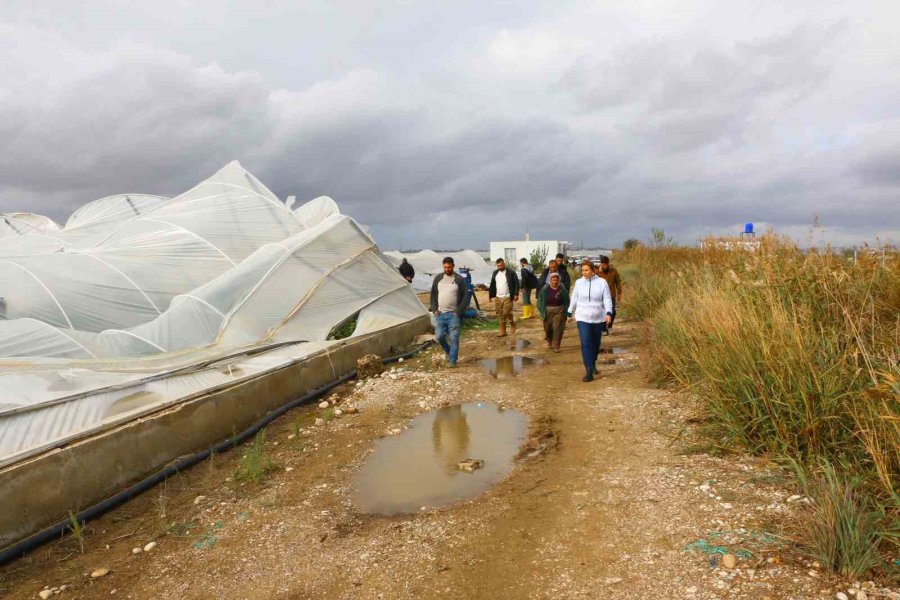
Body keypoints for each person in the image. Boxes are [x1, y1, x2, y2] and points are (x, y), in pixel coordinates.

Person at [568, 260, 613, 382]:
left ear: (593, 270)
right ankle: (588, 370)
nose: (584, 272)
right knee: (586, 342)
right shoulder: (578, 283)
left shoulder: (602, 282)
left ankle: (592, 364)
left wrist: (608, 313)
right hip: (582, 317)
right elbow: (574, 298)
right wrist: (569, 311)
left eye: (586, 270)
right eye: (582, 270)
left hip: (598, 317)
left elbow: (607, 299)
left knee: (595, 343)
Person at [428, 257, 470, 367]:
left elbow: (466, 297)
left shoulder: (459, 279)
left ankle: (452, 361)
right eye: (445, 267)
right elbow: (433, 295)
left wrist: (458, 311)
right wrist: (434, 309)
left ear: (453, 266)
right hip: (440, 314)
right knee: (439, 336)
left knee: (454, 338)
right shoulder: (438, 278)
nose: (447, 269)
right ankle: (448, 351)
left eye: (449, 267)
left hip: (453, 315)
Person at [537, 271, 570, 352]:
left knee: (557, 328)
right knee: (547, 329)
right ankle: (550, 341)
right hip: (547, 310)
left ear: (559, 280)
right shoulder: (545, 288)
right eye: (553, 280)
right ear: (550, 280)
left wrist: (568, 312)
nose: (555, 282)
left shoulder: (562, 288)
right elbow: (540, 301)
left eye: (556, 280)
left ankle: (556, 346)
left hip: (559, 310)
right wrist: (541, 310)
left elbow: (567, 300)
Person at [488, 257, 519, 337]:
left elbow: (516, 283)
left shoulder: (511, 272)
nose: (500, 267)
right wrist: (491, 295)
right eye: (498, 266)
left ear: (504, 264)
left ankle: (512, 323)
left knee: (506, 312)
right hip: (498, 297)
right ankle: (503, 331)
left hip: (508, 296)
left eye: (501, 265)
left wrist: (516, 294)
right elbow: (492, 284)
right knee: (500, 314)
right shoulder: (495, 273)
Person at [596, 255, 622, 332]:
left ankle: (609, 326)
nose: (604, 266)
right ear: (601, 264)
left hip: (611, 295)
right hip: (600, 296)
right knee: (602, 312)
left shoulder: (614, 271)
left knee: (612, 311)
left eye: (605, 264)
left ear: (608, 263)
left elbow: (618, 282)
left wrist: (619, 292)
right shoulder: (597, 273)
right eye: (602, 264)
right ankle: (603, 328)